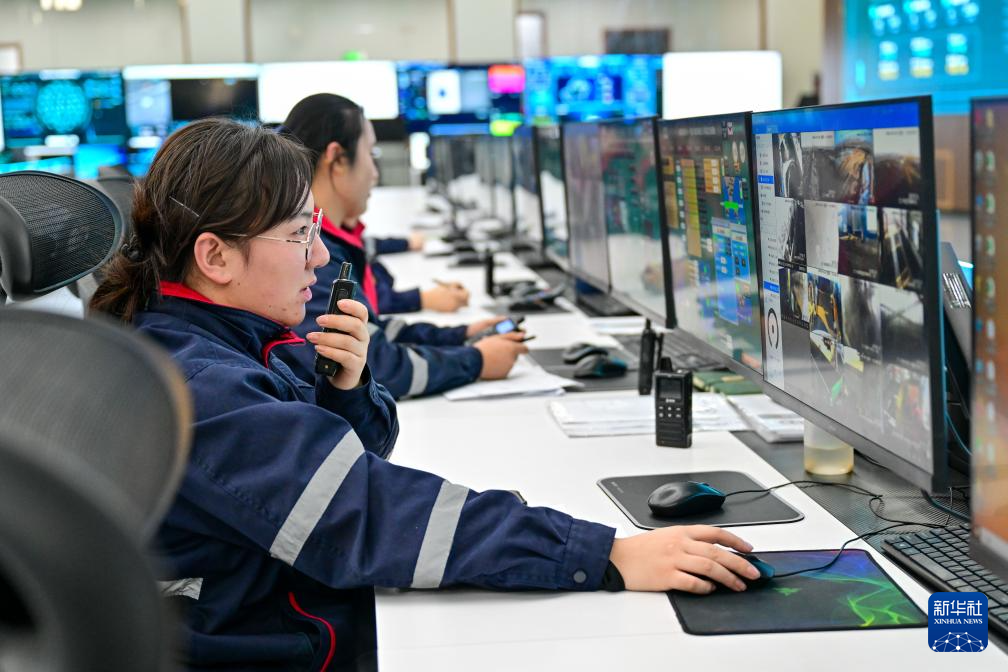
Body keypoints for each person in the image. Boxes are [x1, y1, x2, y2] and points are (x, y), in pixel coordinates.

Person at [90, 118, 760, 670]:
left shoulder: (229, 336)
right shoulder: (198, 384)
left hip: (296, 611)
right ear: (215, 257)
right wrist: (603, 555)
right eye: (298, 234)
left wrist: (346, 390)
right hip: (281, 643)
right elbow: (365, 511)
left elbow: (339, 470)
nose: (319, 257)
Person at [276, 93, 526, 399]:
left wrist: (460, 336)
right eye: (371, 154)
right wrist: (476, 361)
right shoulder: (312, 257)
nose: (375, 173)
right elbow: (371, 365)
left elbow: (371, 331)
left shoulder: (326, 243)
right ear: (338, 158)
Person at [365, 231, 472, 314]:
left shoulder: (356, 237)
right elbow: (366, 303)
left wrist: (406, 243)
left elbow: (366, 245)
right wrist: (424, 299)